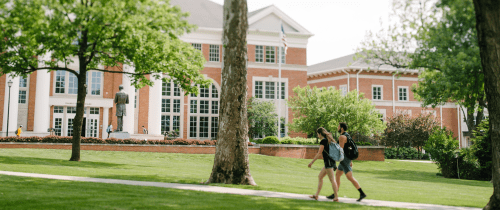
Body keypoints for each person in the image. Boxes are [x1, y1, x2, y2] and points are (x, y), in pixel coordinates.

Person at [335, 122, 367, 202]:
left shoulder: (342, 137)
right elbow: (348, 148)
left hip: (344, 159)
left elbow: (341, 149)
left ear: (342, 128)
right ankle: (335, 193)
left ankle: (362, 193)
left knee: (350, 177)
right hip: (346, 159)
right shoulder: (347, 135)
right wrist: (350, 160)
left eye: (338, 127)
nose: (337, 128)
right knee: (338, 174)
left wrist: (336, 159)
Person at [308, 127, 339, 202]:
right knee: (320, 177)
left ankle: (336, 197)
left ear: (320, 134)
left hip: (328, 162)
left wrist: (312, 162)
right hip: (329, 162)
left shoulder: (323, 141)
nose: (317, 135)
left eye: (317, 134)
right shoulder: (328, 140)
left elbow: (319, 153)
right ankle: (316, 195)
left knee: (332, 180)